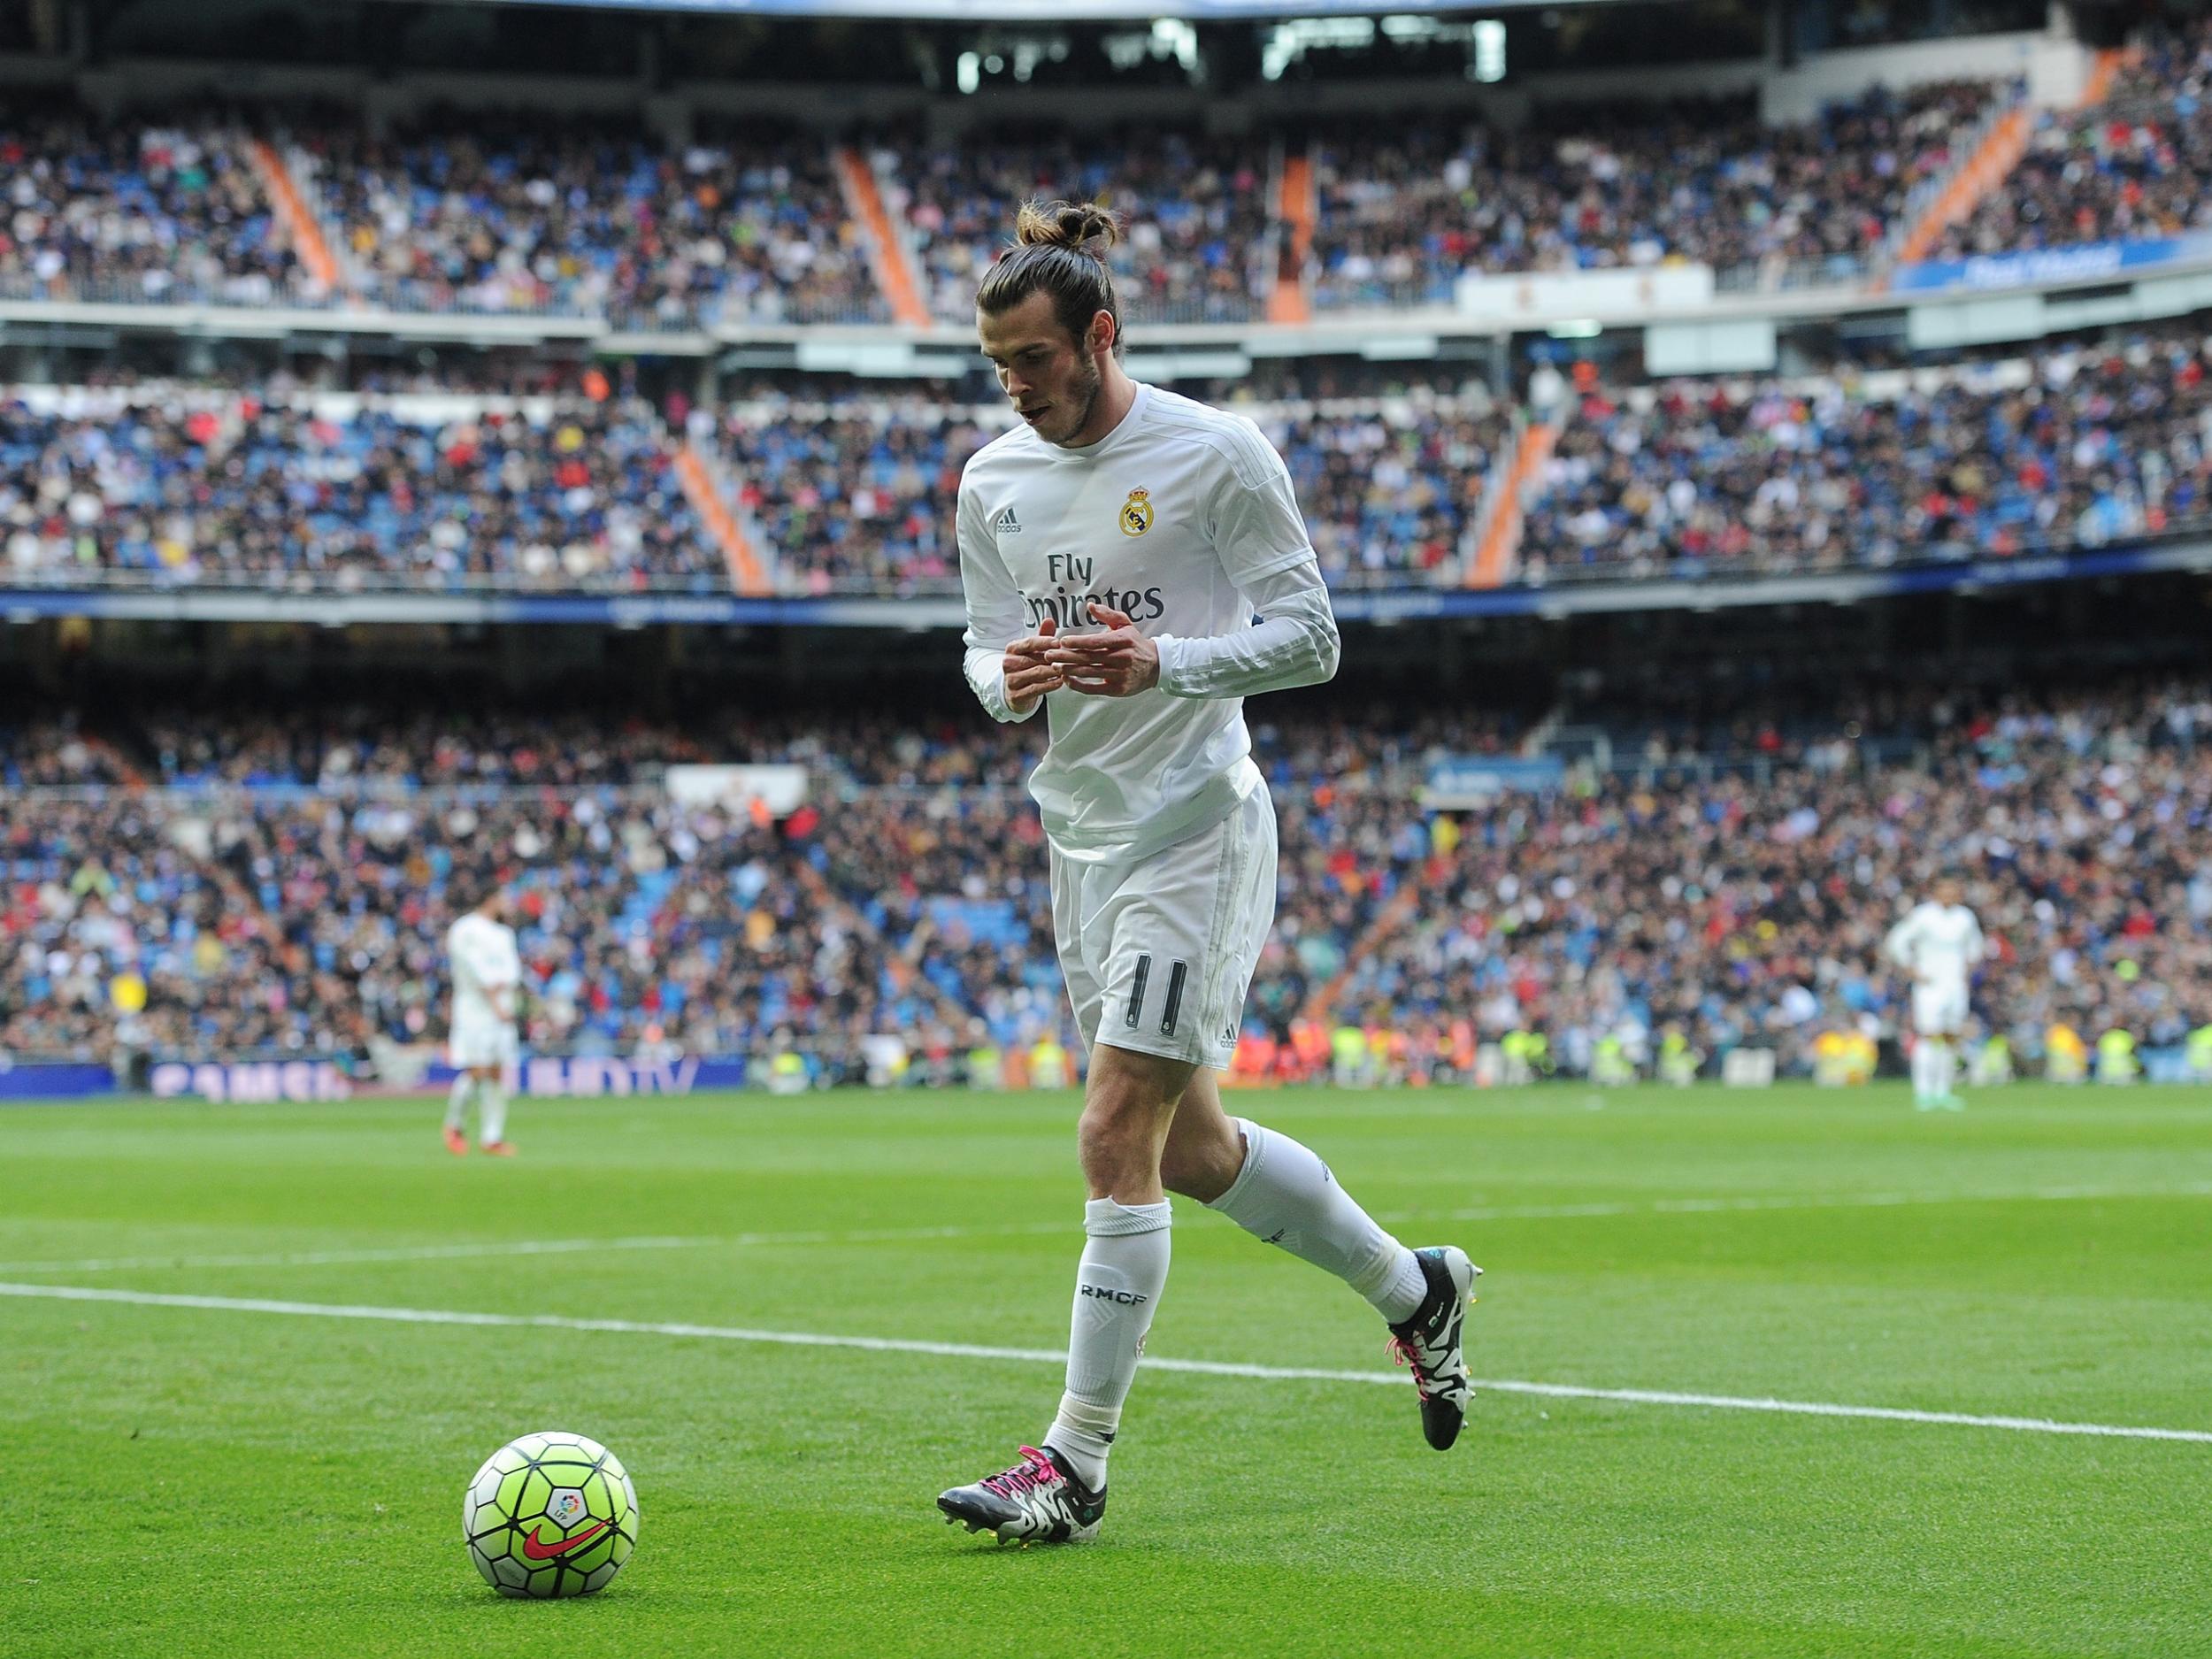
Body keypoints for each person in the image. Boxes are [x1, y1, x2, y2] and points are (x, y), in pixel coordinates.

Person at [938, 199, 1477, 1546]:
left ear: (1101, 335)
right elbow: (979, 642)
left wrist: (1163, 661)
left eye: (1036, 361)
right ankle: (1418, 1289)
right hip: (1085, 831)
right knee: (1189, 1148)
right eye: (997, 365)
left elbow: (1312, 638)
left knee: (1111, 1125)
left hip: (1198, 823)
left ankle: (1074, 1460)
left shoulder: (1215, 451)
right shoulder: (993, 478)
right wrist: (1008, 680)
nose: (1015, 386)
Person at [1884, 872, 1985, 1111]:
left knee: (1951, 1038)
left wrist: (1968, 969)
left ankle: (1943, 1091)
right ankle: (1923, 1092)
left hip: (1955, 986)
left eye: (1952, 889)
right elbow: (1897, 941)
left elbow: (1976, 946)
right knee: (1929, 1037)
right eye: (1944, 889)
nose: (1948, 894)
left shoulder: (1964, 917)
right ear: (1935, 891)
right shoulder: (1923, 916)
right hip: (1930, 986)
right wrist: (1911, 970)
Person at [442, 877, 520, 1156]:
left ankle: (492, 1136)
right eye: (504, 898)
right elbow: (474, 970)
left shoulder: (504, 934)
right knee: (477, 1070)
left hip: (503, 1009)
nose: (508, 904)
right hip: (475, 1011)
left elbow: (512, 973)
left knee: (498, 1071)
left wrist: (503, 998)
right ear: (490, 900)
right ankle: (454, 1125)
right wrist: (494, 997)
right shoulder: (465, 929)